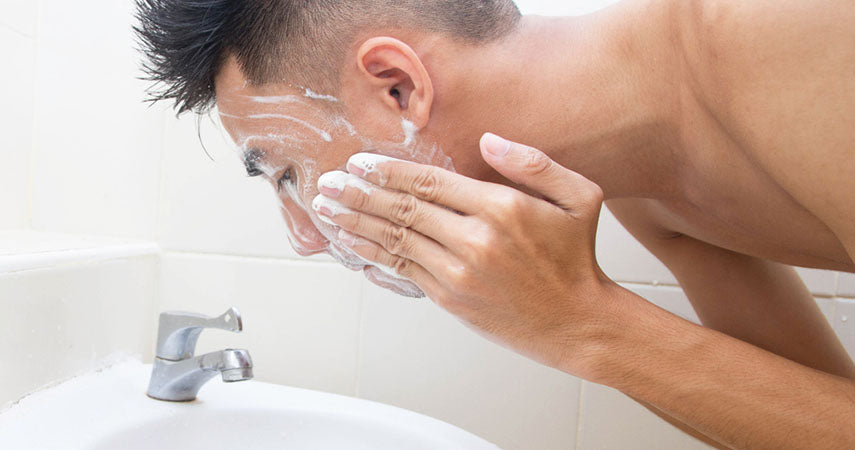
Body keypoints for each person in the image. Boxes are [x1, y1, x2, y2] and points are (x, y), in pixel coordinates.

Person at [135, 0, 855, 447]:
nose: (304, 235)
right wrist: (564, 323)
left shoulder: (790, 29)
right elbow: (801, 417)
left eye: (286, 174)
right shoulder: (638, 185)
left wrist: (588, 323)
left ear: (398, 86)